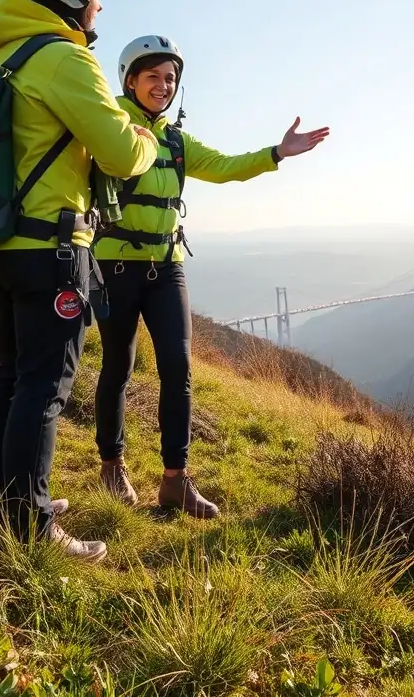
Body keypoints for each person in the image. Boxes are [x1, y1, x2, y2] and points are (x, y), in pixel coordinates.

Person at [0, 0, 157, 560]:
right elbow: (122, 154)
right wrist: (146, 136)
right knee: (45, 385)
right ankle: (32, 526)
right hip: (48, 250)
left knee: (11, 376)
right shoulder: (64, 60)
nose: (100, 5)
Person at [93, 35, 329, 517]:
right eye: (153, 76)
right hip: (115, 267)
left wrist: (276, 153)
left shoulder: (177, 141)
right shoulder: (108, 125)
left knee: (177, 368)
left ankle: (175, 481)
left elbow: (224, 167)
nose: (164, 86)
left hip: (167, 268)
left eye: (171, 78)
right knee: (118, 366)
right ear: (130, 81)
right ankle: (112, 466)